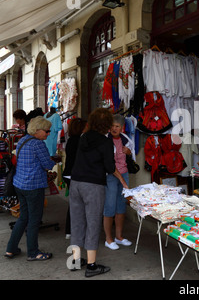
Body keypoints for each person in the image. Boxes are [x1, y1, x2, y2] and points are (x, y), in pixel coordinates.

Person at [69, 108, 127, 278]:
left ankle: (76, 259)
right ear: (107, 125)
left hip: (76, 183)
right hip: (93, 186)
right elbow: (110, 167)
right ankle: (91, 265)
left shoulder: (83, 137)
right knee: (93, 223)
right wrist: (123, 181)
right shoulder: (105, 142)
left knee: (77, 222)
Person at [4, 116, 57, 261]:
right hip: (33, 186)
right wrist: (52, 160)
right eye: (46, 131)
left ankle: (11, 249)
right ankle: (33, 252)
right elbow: (47, 164)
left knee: (23, 217)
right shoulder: (38, 144)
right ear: (38, 130)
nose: (48, 134)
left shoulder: (22, 140)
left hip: (20, 184)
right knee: (34, 220)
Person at [104, 114, 135, 250]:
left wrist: (129, 152)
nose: (114, 128)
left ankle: (119, 236)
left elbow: (132, 155)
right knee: (109, 206)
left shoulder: (126, 139)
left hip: (124, 173)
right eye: (112, 126)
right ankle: (108, 239)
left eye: (117, 126)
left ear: (122, 128)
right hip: (110, 175)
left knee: (121, 206)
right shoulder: (105, 139)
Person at [62, 118, 87, 239]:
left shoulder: (72, 140)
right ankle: (73, 230)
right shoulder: (79, 141)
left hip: (69, 173)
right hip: (75, 175)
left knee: (74, 203)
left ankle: (70, 230)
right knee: (77, 204)